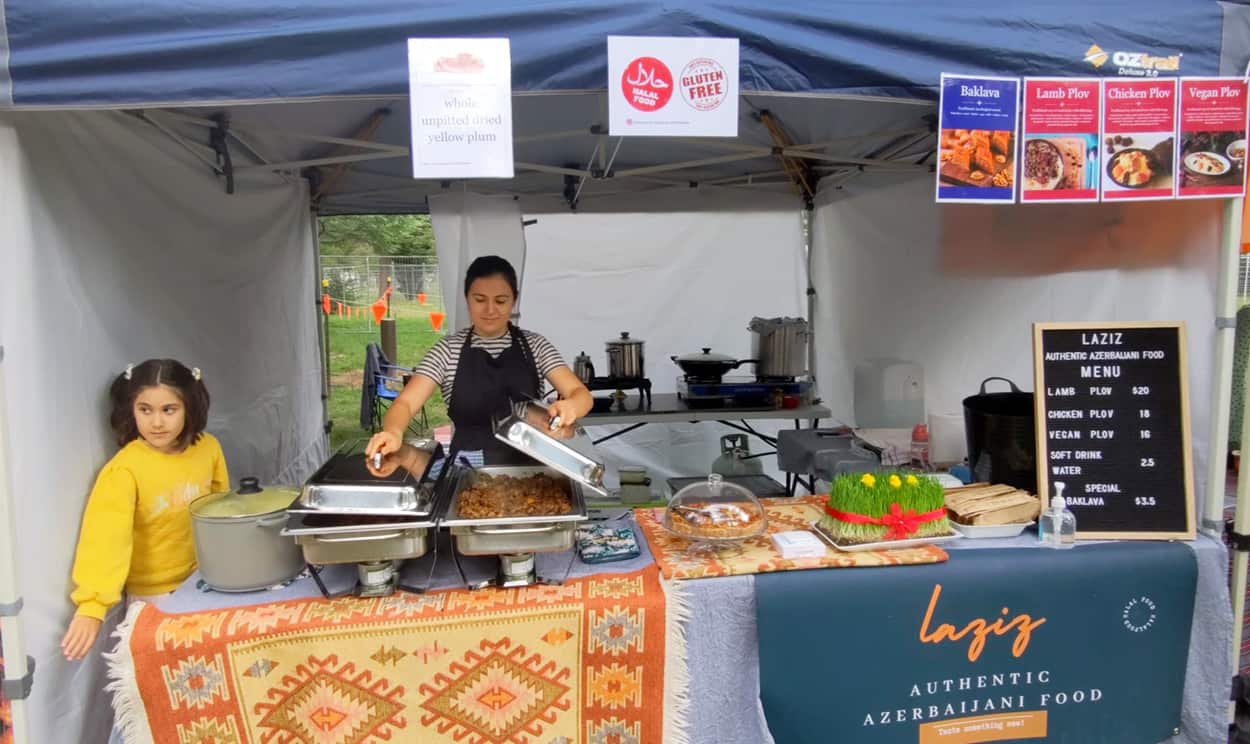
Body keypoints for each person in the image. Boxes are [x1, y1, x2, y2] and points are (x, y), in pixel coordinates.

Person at [60, 359, 228, 660]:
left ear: (190, 406)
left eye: (169, 410)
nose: (157, 423)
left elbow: (220, 512)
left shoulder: (209, 449)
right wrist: (92, 605)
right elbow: (106, 539)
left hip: (205, 583)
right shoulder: (125, 470)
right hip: (153, 599)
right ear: (131, 410)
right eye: (145, 410)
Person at [366, 255, 592, 463]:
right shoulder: (448, 350)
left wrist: (572, 406)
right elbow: (405, 403)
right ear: (467, 299)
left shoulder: (535, 346)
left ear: (514, 299)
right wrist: (393, 431)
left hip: (531, 468)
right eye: (480, 299)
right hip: (467, 471)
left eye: (501, 300)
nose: (490, 310)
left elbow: (581, 395)